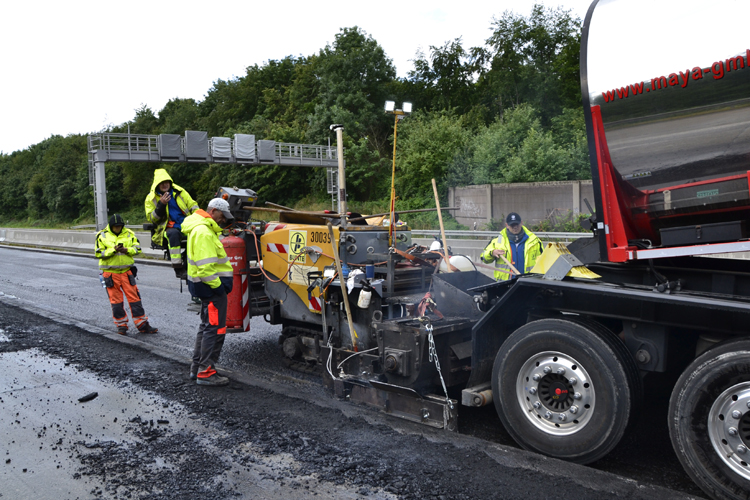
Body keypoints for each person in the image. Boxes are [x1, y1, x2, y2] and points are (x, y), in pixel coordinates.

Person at [182, 198, 235, 386]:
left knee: (206, 327)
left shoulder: (200, 229)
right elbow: (206, 268)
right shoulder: (204, 232)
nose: (223, 220)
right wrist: (219, 287)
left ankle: (197, 368)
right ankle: (206, 371)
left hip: (206, 288)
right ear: (213, 211)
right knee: (214, 329)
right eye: (222, 215)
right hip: (212, 289)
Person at [95, 214, 158, 335]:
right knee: (116, 301)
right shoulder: (102, 235)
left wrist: (126, 250)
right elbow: (99, 252)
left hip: (126, 272)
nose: (118, 228)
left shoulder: (129, 233)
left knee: (135, 299)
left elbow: (137, 249)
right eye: (115, 227)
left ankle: (142, 324)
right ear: (111, 226)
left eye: (119, 226)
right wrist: (113, 250)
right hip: (110, 273)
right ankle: (121, 325)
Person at [144, 168, 199, 278]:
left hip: (186, 225)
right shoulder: (151, 198)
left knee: (199, 233)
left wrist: (200, 218)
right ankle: (178, 268)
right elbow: (152, 219)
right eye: (161, 183)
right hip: (166, 228)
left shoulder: (180, 192)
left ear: (170, 182)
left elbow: (194, 206)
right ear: (157, 185)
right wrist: (161, 205)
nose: (164, 185)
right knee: (173, 234)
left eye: (166, 182)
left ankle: (192, 263)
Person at [480, 212, 543, 281]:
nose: (515, 227)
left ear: (521, 223)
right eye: (512, 225)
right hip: (505, 285)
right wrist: (492, 253)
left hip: (528, 284)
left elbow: (543, 263)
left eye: (517, 224)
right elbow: (484, 257)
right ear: (507, 225)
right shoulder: (497, 241)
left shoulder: (534, 241)